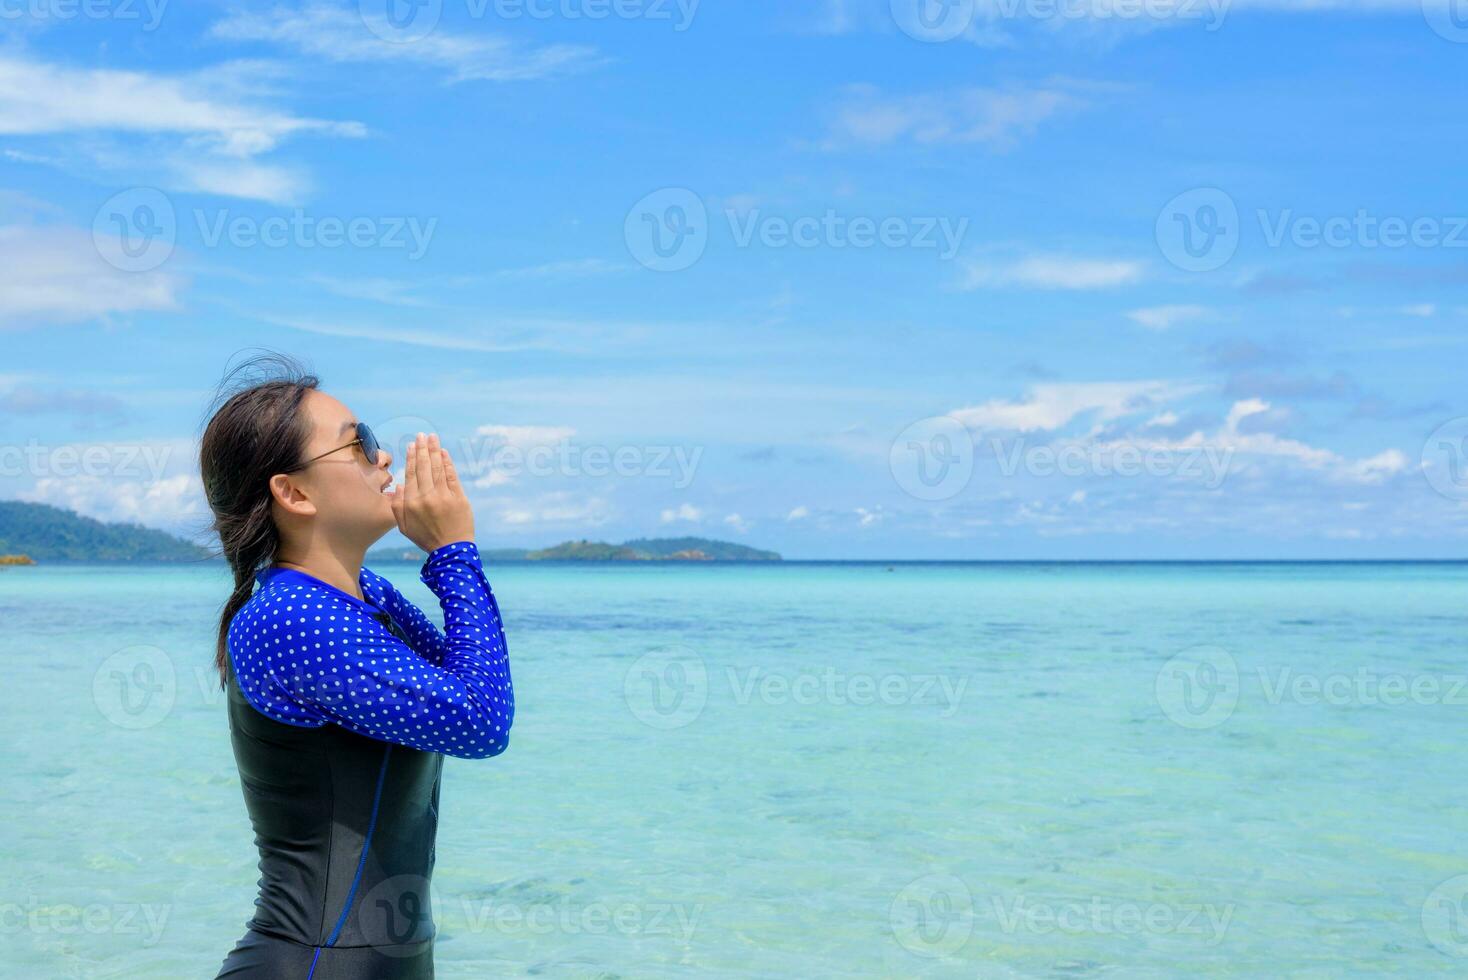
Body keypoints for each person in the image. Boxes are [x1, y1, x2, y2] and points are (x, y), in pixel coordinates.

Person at [198, 354, 514, 979]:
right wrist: (452, 554)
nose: (385, 459)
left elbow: (466, 686)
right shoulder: (291, 618)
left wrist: (454, 555)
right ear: (292, 492)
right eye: (360, 445)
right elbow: (482, 722)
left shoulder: (359, 596)